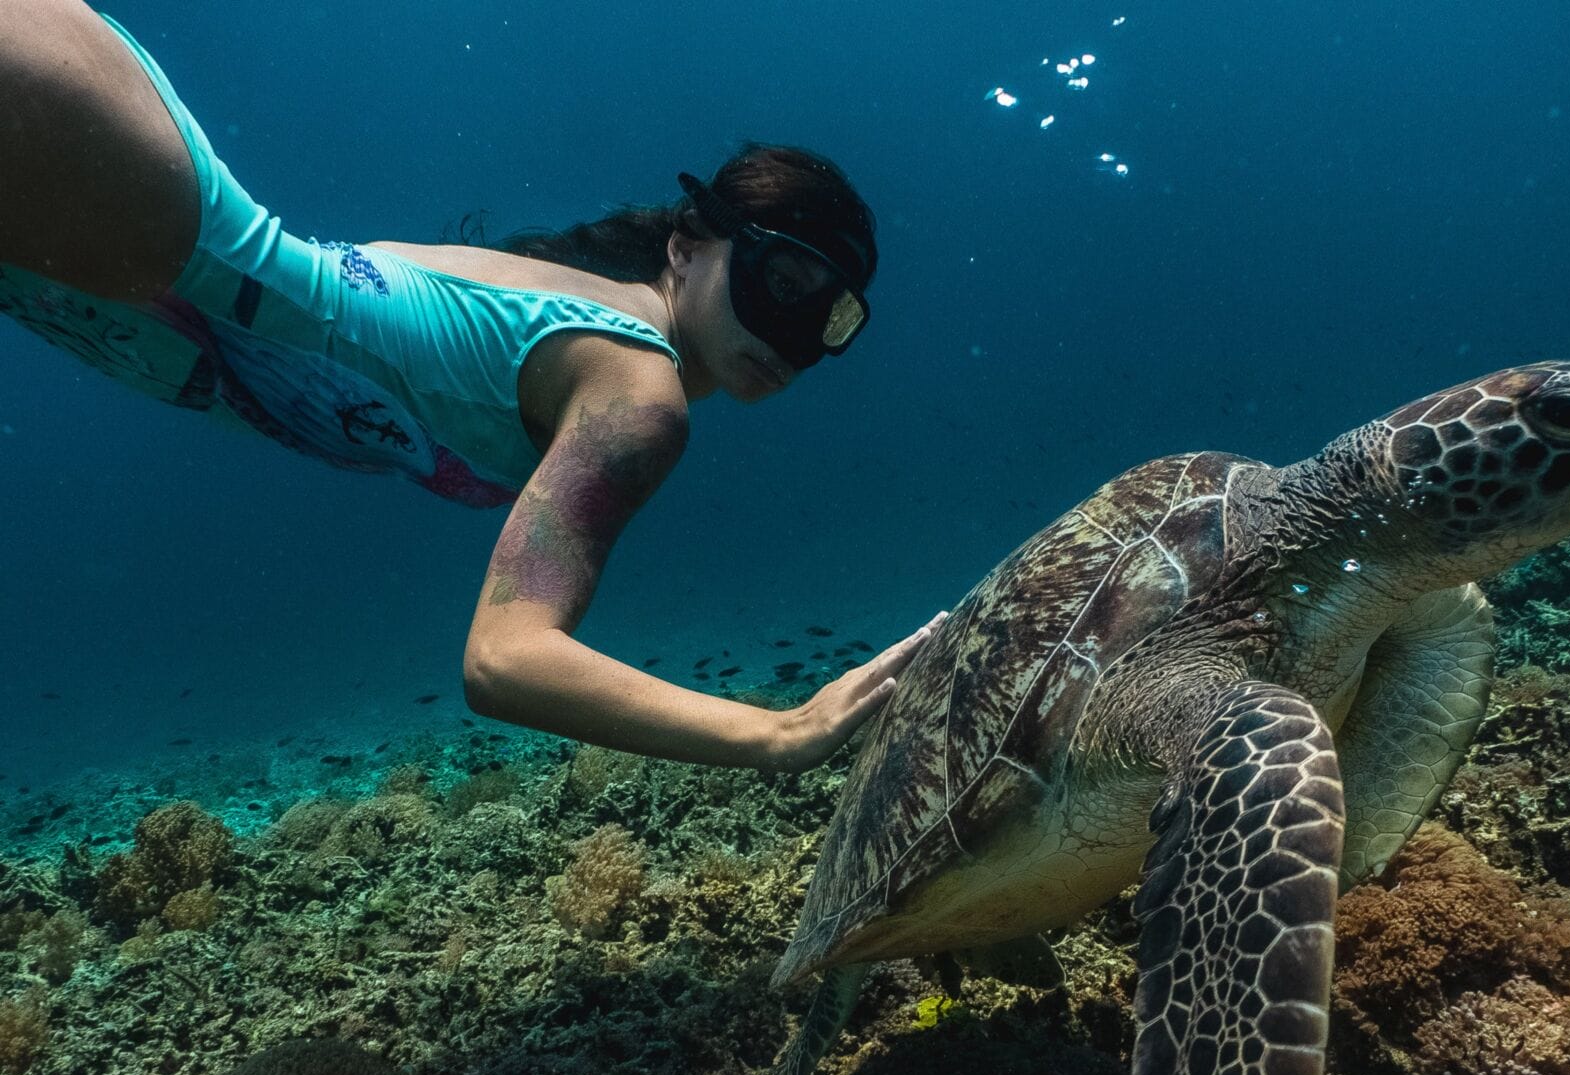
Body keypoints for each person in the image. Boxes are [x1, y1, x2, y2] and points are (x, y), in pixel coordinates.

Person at [0, 0, 943, 770]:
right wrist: (780, 731)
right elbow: (505, 658)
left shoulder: (574, 299)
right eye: (781, 285)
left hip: (114, 266)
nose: (794, 337)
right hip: (151, 219)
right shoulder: (638, 395)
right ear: (688, 245)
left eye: (832, 321)